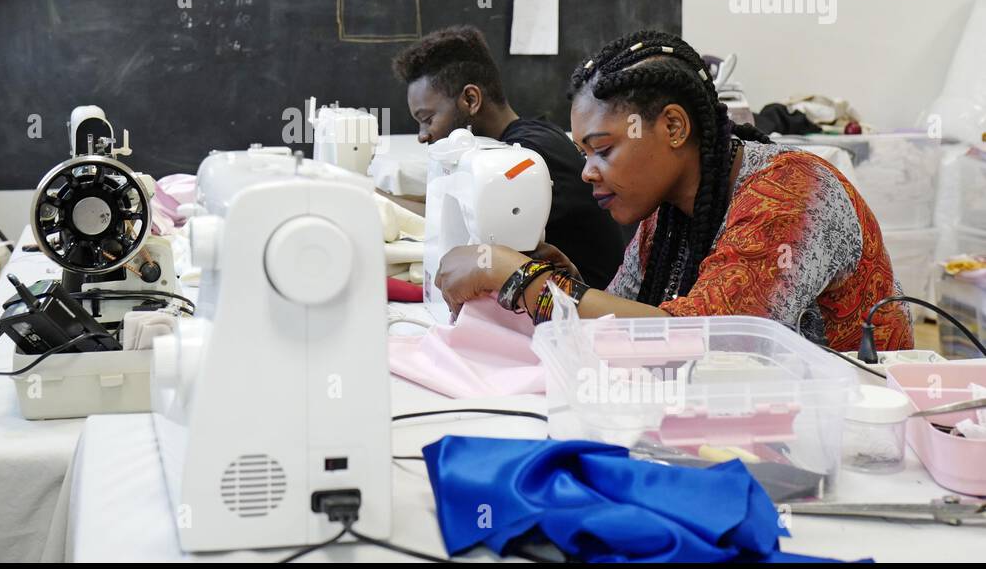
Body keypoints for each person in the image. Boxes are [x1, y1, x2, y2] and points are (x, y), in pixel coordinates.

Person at [434, 29, 913, 352]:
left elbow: (708, 339)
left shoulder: (791, 195)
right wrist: (564, 283)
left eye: (603, 149)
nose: (587, 172)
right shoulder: (666, 215)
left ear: (674, 127)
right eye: (583, 155)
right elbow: (632, 320)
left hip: (857, 437)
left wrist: (522, 277)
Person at [391, 25, 625, 289]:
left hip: (593, 311)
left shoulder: (526, 158)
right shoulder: (518, 141)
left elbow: (449, 221)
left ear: (470, 99)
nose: (423, 136)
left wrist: (373, 200)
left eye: (427, 119)